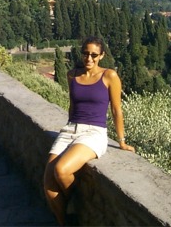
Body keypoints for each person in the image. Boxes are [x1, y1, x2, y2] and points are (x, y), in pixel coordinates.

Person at [43, 36, 135, 225]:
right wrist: (68, 128)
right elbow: (72, 105)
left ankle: (72, 204)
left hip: (94, 132)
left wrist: (122, 141)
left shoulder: (110, 76)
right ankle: (65, 223)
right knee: (48, 184)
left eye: (94, 54)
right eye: (86, 53)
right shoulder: (72, 75)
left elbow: (117, 110)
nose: (89, 58)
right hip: (70, 129)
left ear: (101, 55)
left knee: (61, 170)